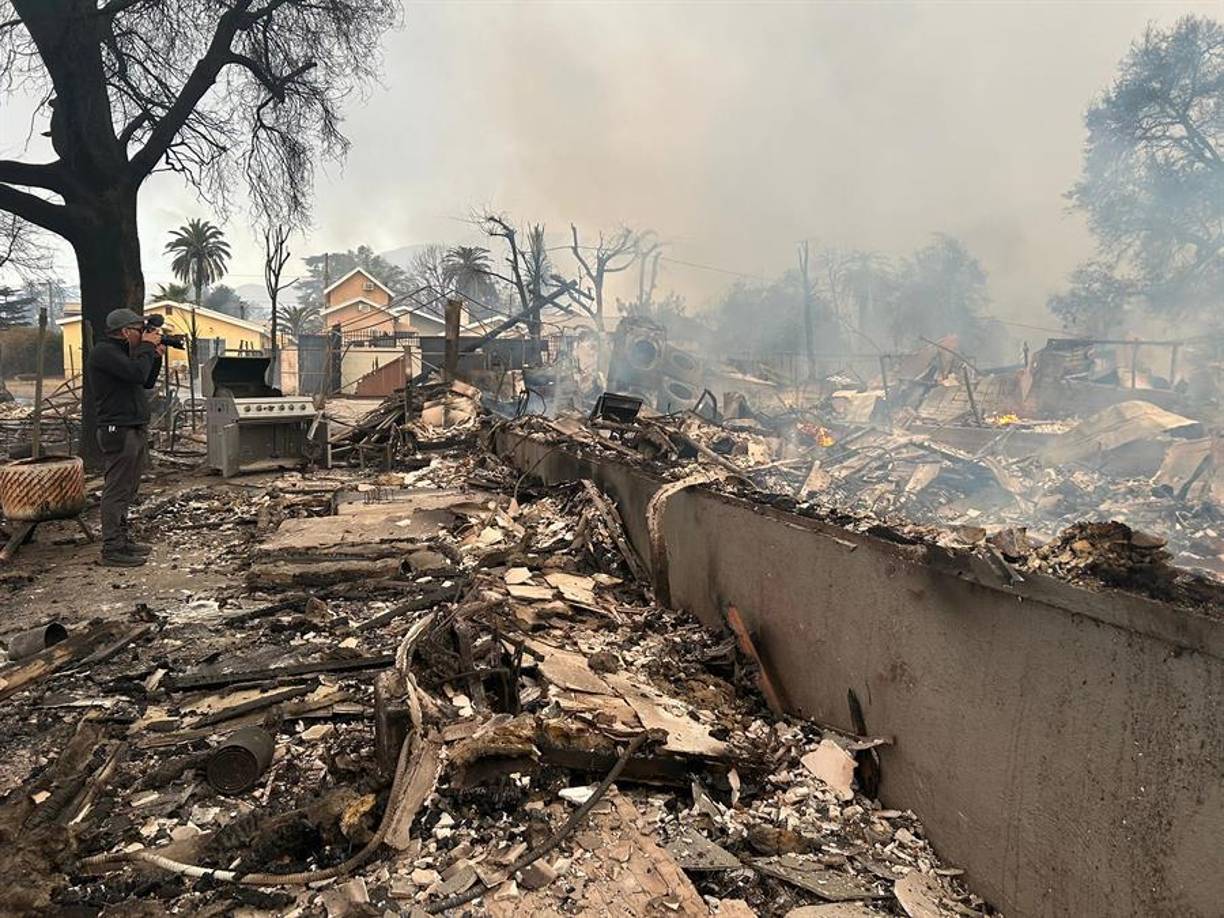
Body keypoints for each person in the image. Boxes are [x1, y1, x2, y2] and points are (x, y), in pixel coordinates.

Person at [86, 307, 163, 567]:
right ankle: (112, 548)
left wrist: (155, 356)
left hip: (133, 426)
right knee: (117, 490)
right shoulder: (104, 352)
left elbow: (145, 380)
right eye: (140, 330)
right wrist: (147, 348)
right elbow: (136, 373)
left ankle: (122, 541)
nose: (143, 334)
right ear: (125, 331)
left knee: (128, 489)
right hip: (118, 429)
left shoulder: (123, 354)